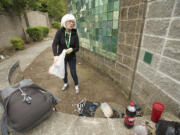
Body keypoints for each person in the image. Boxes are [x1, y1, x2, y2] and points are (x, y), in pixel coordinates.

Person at [52, 14, 79, 94]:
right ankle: (65, 83)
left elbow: (77, 47)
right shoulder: (59, 32)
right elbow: (54, 44)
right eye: (69, 21)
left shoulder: (74, 34)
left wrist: (72, 49)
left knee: (73, 72)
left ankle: (76, 85)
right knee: (63, 72)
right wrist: (55, 55)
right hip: (62, 57)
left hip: (71, 57)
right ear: (64, 22)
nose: (72, 23)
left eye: (73, 22)